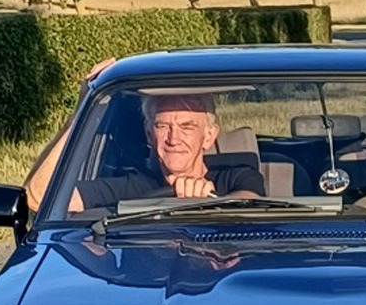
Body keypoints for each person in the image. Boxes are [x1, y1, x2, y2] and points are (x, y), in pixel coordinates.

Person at [24, 59, 264, 212]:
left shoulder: (237, 176)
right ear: (150, 135)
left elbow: (249, 204)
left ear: (209, 137)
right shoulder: (132, 186)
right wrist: (80, 113)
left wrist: (212, 201)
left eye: (187, 127)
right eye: (162, 126)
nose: (173, 138)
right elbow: (37, 198)